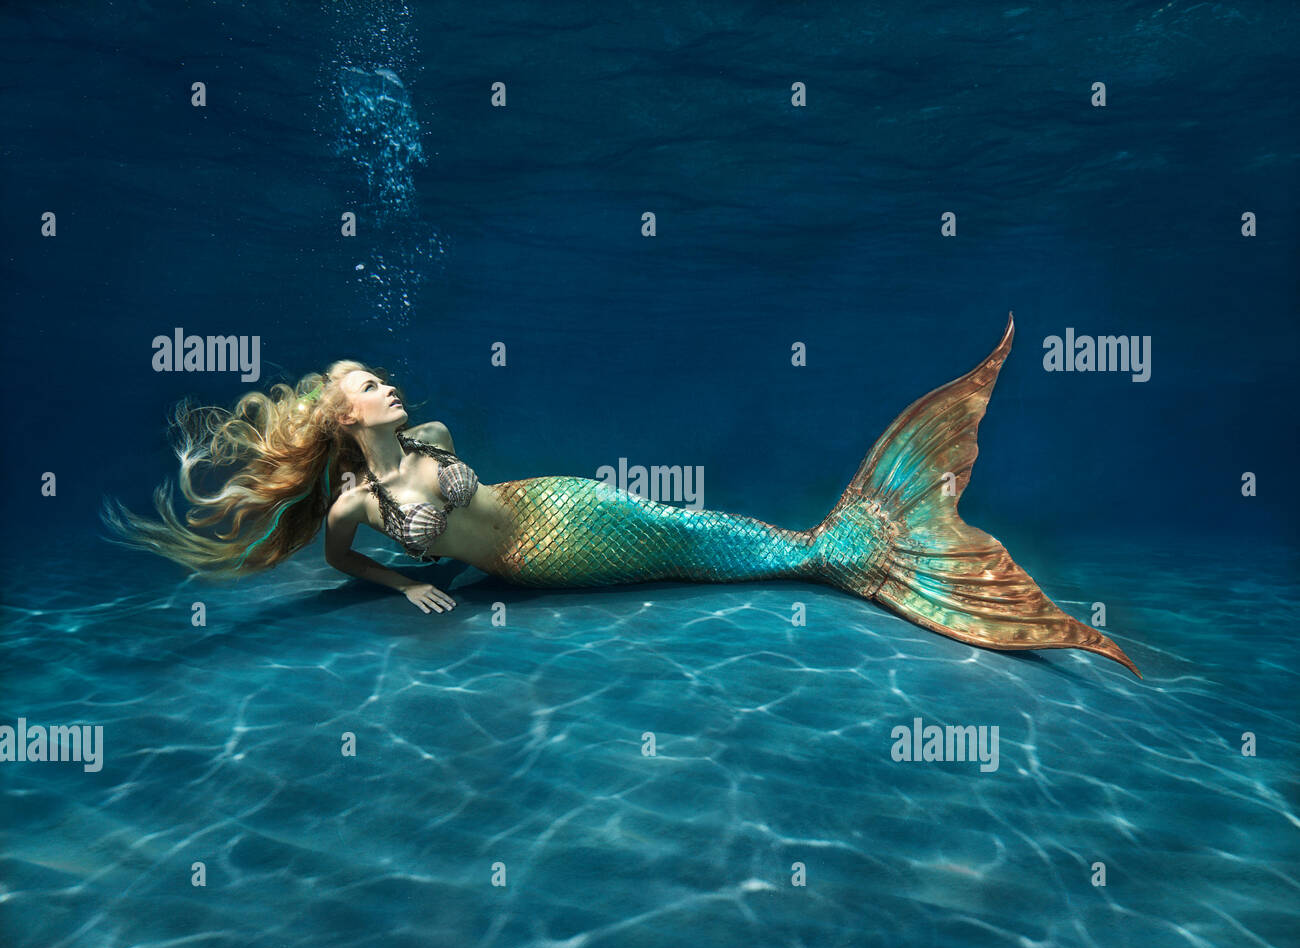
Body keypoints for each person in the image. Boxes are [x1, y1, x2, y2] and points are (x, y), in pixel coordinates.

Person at [101, 315, 1141, 677]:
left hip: (563, 507)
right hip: (537, 564)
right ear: (340, 419)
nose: (386, 385)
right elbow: (343, 561)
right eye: (365, 383)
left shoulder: (433, 436)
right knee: (695, 544)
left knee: (689, 531)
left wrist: (448, 557)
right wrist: (408, 582)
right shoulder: (352, 510)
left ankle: (858, 549)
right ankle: (860, 547)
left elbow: (474, 503)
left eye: (379, 375)